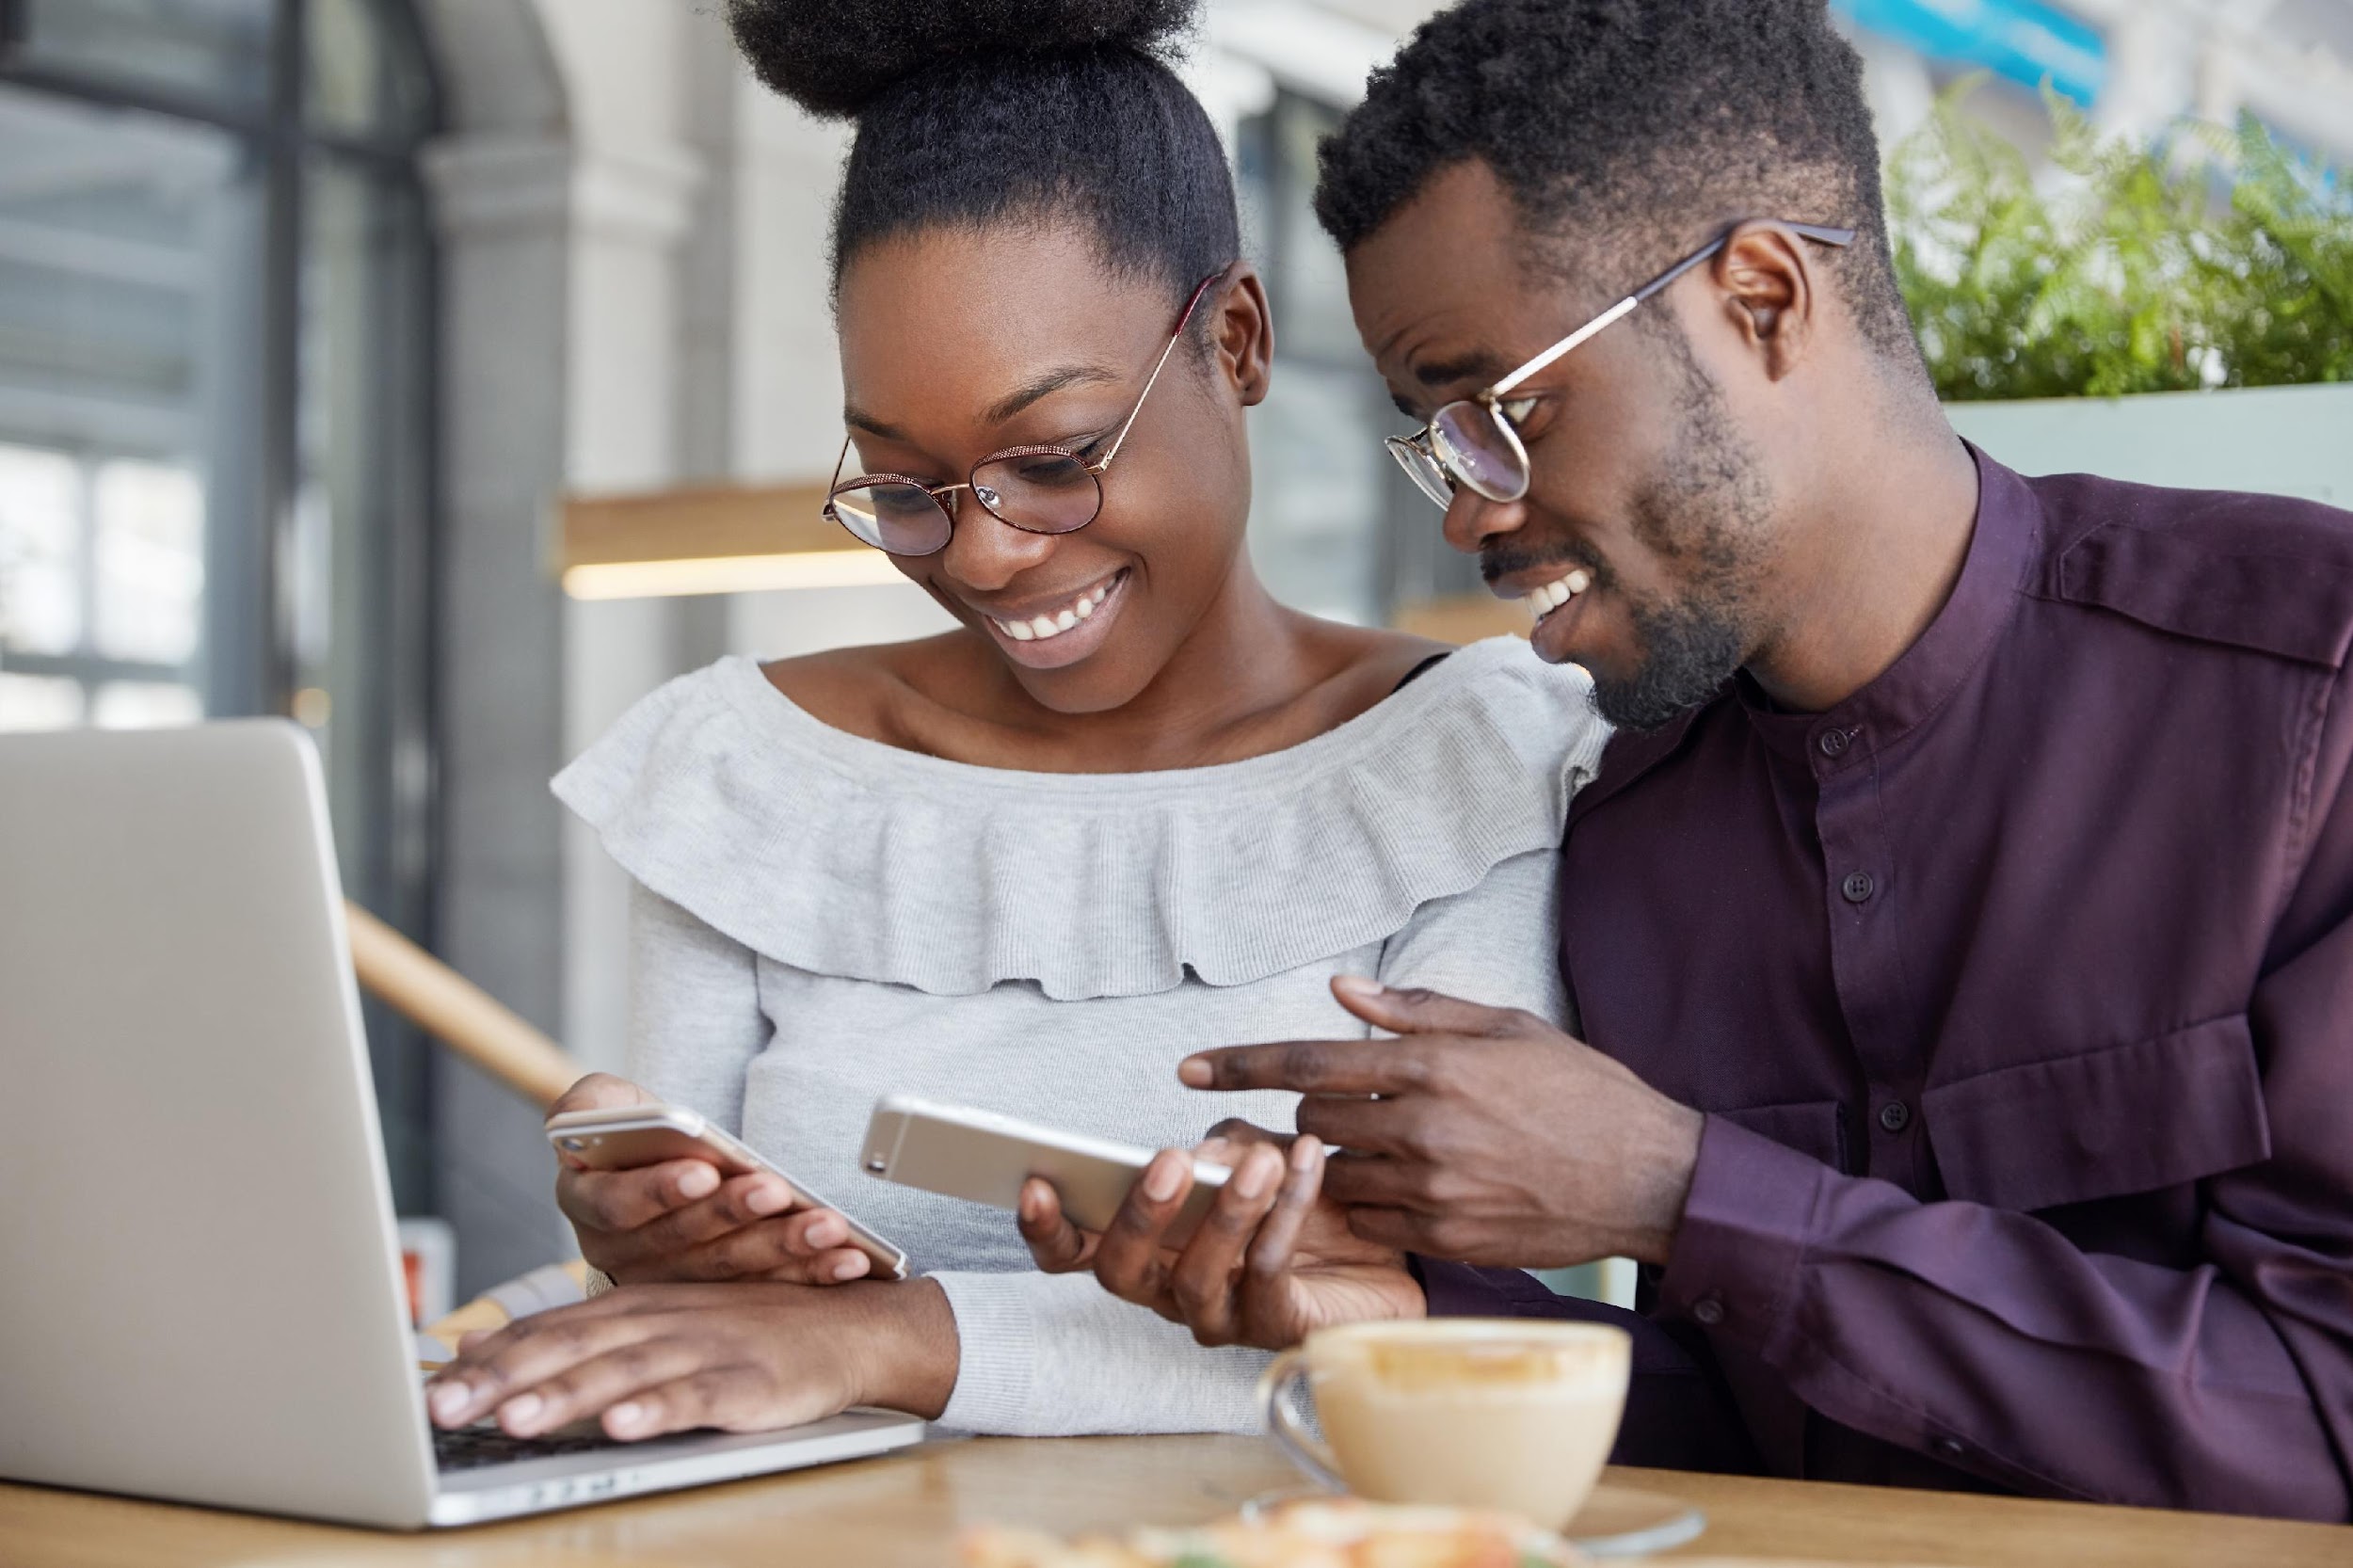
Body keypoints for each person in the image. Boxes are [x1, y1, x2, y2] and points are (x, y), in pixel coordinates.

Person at [1032, 0, 2353, 1523]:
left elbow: (2321, 1412)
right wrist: (1403, 1317)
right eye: (1436, 435)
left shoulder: (2304, 685)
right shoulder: (1637, 832)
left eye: (1504, 409)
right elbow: (1772, 1419)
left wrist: (1678, 1185)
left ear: (1766, 298)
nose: (1469, 512)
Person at [421, 0, 1606, 1448]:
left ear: (1235, 341)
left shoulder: (1476, 763)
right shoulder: (750, 769)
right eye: (906, 485)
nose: (982, 557)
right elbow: (704, 1332)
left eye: (1050, 459)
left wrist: (878, 1334)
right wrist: (647, 1246)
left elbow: (1420, 1330)